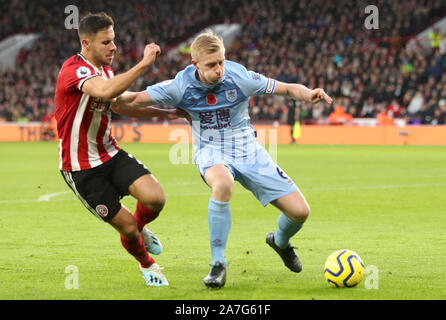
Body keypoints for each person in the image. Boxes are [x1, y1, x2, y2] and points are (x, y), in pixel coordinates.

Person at [111, 31, 333, 289]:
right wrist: (109, 94)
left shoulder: (240, 77)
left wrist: (308, 94)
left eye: (221, 62)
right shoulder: (179, 86)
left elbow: (285, 88)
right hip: (211, 150)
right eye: (211, 65)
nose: (219, 70)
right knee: (223, 184)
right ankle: (218, 264)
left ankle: (279, 242)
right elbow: (133, 100)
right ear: (195, 64)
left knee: (300, 212)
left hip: (249, 150)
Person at [54, 12, 184, 287]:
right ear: (86, 44)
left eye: (113, 40)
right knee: (125, 227)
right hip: (81, 168)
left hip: (110, 154)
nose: (113, 47)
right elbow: (102, 92)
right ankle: (147, 263)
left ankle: (139, 231)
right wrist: (145, 63)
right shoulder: (74, 70)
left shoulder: (107, 72)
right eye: (106, 43)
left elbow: (121, 103)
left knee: (155, 198)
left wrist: (166, 113)